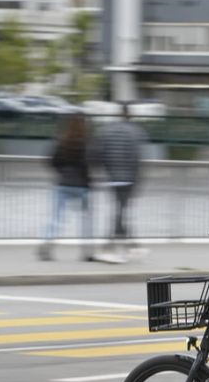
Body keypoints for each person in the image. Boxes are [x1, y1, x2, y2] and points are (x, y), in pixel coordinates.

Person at [90, 102, 148, 264]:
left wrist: (105, 170)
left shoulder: (107, 130)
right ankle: (111, 246)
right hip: (128, 178)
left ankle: (130, 245)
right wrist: (137, 178)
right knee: (121, 211)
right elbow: (137, 157)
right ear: (130, 115)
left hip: (113, 177)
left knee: (120, 210)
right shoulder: (136, 132)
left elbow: (99, 152)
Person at [38, 113, 94, 262]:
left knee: (56, 218)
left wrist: (61, 173)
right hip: (82, 186)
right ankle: (86, 251)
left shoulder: (61, 141)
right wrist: (88, 179)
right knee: (86, 219)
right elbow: (88, 164)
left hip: (63, 184)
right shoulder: (86, 142)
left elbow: (51, 161)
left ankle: (47, 246)